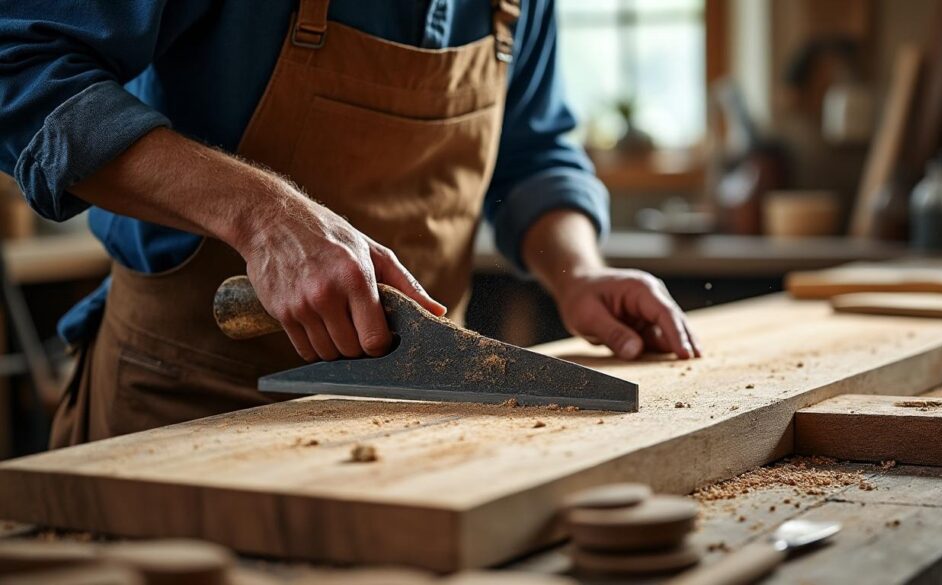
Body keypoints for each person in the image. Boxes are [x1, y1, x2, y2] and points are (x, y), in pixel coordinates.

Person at [0, 0, 700, 447]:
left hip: (418, 413)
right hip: (186, 400)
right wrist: (264, 215)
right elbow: (20, 68)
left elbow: (535, 149)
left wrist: (576, 268)